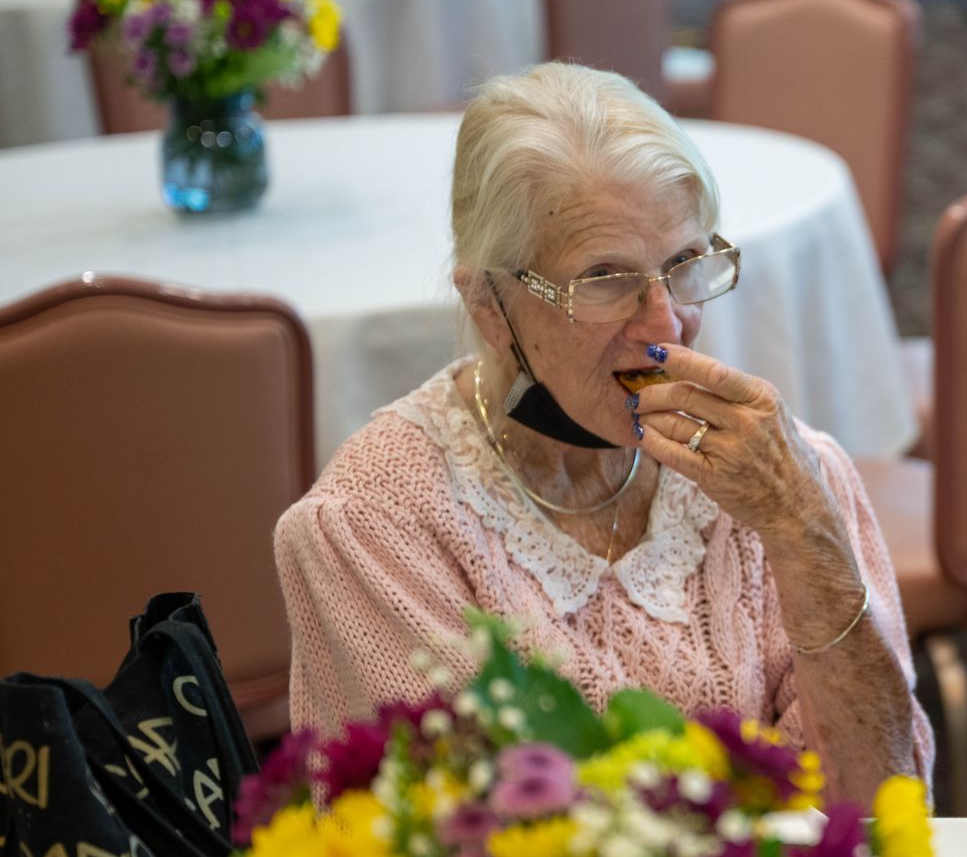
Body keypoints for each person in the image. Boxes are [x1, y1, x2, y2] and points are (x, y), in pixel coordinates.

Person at [275, 62, 932, 801]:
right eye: (606, 280)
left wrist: (803, 530)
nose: (666, 325)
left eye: (685, 266)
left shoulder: (781, 480)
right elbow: (464, 856)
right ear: (491, 305)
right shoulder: (377, 528)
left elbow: (884, 808)